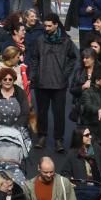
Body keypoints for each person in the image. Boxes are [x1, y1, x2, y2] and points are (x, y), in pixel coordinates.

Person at [29, 12, 79, 152]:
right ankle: (42, 136)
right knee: (42, 112)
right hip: (42, 82)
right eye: (45, 25)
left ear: (56, 25)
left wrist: (65, 75)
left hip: (59, 84)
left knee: (59, 113)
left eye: (49, 26)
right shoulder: (40, 40)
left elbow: (72, 59)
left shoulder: (66, 42)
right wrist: (34, 75)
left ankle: (58, 139)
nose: (46, 28)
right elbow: (34, 59)